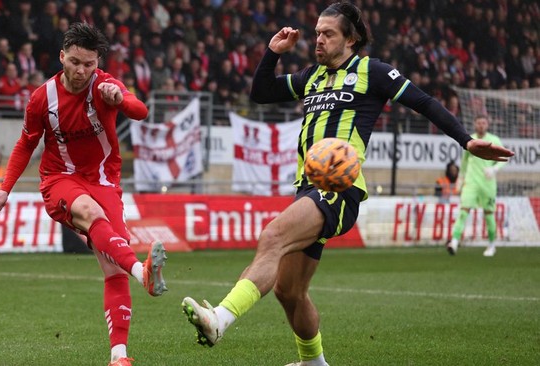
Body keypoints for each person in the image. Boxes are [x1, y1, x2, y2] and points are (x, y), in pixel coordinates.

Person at [180, 3, 514, 366]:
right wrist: (272, 53)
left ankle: (220, 320)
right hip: (307, 187)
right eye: (317, 33)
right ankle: (314, 363)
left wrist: (466, 140)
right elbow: (262, 92)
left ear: (351, 39)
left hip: (340, 187)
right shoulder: (312, 77)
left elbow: (425, 103)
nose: (318, 40)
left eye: (328, 34)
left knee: (273, 236)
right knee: (289, 291)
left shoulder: (373, 72)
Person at [0, 23, 167, 366]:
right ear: (62, 57)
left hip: (104, 181)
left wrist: (122, 100)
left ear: (97, 62)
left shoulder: (105, 85)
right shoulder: (42, 98)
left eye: (89, 64)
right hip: (60, 178)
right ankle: (143, 273)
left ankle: (119, 357)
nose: (82, 70)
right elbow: (27, 143)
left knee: (112, 269)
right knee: (90, 213)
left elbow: (141, 112)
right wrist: (5, 188)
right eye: (74, 62)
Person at [447, 115, 506, 257]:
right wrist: (460, 180)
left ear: (487, 124)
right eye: (478, 123)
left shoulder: (494, 140)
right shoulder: (469, 140)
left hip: (488, 184)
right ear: (475, 124)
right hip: (471, 182)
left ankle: (491, 245)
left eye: (483, 123)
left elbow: (504, 159)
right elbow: (465, 162)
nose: (481, 125)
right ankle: (454, 242)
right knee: (463, 211)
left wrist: (494, 169)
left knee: (489, 215)